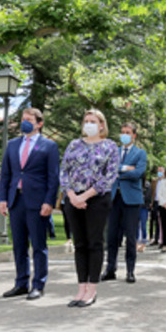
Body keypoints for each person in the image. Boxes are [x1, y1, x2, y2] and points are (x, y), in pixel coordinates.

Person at [0, 108, 60, 300]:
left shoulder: (49, 146)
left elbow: (53, 177)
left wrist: (49, 201)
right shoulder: (12, 144)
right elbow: (6, 174)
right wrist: (2, 198)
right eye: (23, 119)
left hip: (38, 202)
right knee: (19, 245)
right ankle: (21, 283)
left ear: (39, 123)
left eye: (29, 119)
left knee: (39, 245)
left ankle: (38, 284)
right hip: (16, 200)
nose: (24, 122)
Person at [59, 109, 119, 306]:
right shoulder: (74, 145)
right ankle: (81, 288)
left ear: (102, 125)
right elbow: (64, 171)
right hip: (73, 198)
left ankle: (92, 289)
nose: (89, 124)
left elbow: (109, 176)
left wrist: (85, 195)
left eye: (93, 121)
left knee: (94, 242)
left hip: (96, 199)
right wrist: (72, 196)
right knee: (80, 244)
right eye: (86, 120)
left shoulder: (110, 146)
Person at [103, 122, 147, 283]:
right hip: (114, 198)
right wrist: (126, 168)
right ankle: (110, 269)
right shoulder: (114, 152)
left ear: (134, 135)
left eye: (127, 132)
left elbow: (138, 173)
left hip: (131, 200)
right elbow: (108, 171)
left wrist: (119, 171)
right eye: (122, 132)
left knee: (130, 236)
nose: (124, 135)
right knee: (112, 236)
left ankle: (130, 271)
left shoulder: (140, 153)